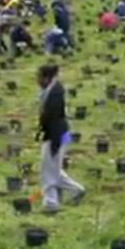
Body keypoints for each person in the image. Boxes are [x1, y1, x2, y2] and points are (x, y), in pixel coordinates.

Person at [37, 64, 85, 212]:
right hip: (60, 133)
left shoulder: (55, 93)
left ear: (46, 78)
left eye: (39, 77)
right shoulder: (51, 90)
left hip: (56, 134)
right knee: (53, 168)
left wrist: (54, 143)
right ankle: (77, 190)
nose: (37, 81)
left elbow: (54, 118)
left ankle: (51, 204)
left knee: (48, 169)